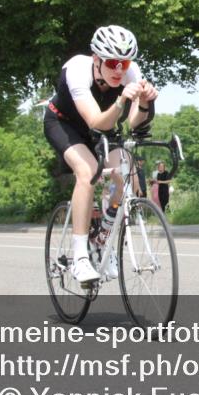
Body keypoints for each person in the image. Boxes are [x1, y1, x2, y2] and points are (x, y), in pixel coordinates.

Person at [43, 25, 157, 284]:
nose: (119, 70)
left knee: (126, 176)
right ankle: (81, 257)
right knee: (88, 172)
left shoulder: (131, 73)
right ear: (96, 59)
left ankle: (102, 240)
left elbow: (133, 123)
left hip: (103, 127)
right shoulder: (77, 70)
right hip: (65, 124)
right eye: (113, 62)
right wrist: (120, 101)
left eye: (125, 62)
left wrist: (145, 102)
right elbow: (96, 121)